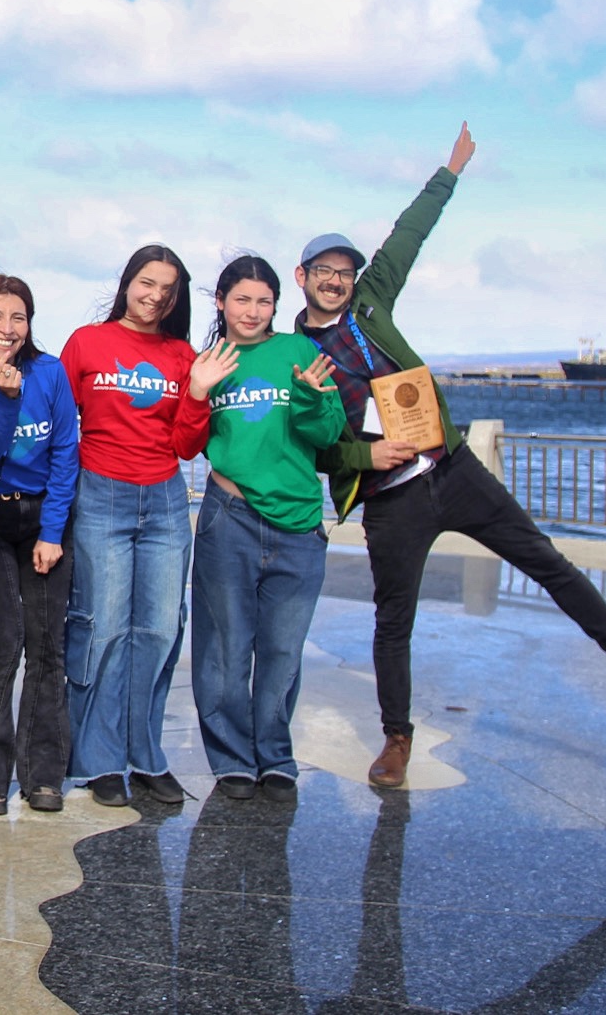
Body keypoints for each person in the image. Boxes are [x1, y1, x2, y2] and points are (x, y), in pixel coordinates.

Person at [296, 123, 606, 791]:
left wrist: (449, 169)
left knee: (548, 561)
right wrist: (365, 459)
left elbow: (409, 232)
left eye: (344, 271)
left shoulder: (372, 302)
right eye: (324, 272)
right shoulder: (294, 357)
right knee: (393, 618)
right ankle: (397, 737)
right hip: (390, 497)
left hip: (452, 470)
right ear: (302, 276)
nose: (336, 281)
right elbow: (311, 449)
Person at [173, 255, 343, 801]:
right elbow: (187, 444)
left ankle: (274, 755)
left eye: (263, 301)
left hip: (298, 523)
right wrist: (197, 392)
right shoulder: (208, 360)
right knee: (223, 648)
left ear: (276, 305)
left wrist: (316, 400)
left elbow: (327, 432)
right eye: (241, 300)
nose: (252, 311)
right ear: (220, 302)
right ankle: (230, 759)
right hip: (231, 516)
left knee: (281, 650)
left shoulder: (298, 351)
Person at [60, 245, 198, 808]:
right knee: (105, 629)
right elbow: (53, 422)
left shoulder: (183, 354)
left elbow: (190, 443)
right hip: (101, 494)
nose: (155, 296)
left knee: (161, 632)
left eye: (167, 289)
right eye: (146, 283)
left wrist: (203, 390)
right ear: (126, 283)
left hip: (166, 500)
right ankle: (97, 761)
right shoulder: (87, 343)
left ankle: (146, 756)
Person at [0, 275, 80, 815]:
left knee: (48, 643)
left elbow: (66, 450)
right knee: (3, 641)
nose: (7, 328)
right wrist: (0, 394)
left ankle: (44, 772)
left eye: (19, 317)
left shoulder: (48, 372)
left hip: (40, 515)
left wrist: (52, 532)